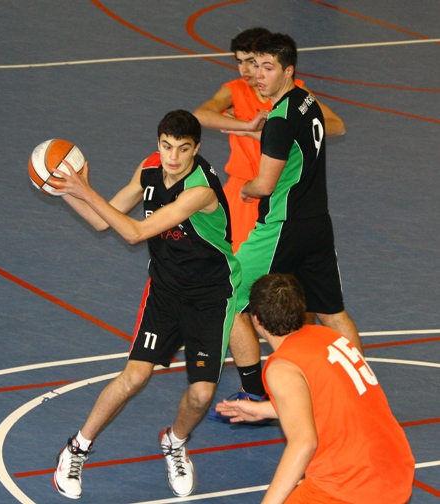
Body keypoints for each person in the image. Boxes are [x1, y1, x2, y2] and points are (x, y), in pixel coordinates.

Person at [50, 110, 241, 499]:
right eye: (166, 146)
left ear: (196, 149)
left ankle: (174, 441)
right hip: (166, 293)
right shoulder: (150, 169)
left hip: (210, 297)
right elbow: (104, 220)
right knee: (134, 376)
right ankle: (75, 450)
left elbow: (135, 233)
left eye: (183, 149)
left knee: (201, 394)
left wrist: (86, 190)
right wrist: (64, 189)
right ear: (158, 144)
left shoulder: (200, 191)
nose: (173, 157)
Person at [208, 32, 363, 422]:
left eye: (268, 67)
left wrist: (244, 189)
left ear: (288, 70)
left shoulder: (278, 119)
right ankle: (359, 389)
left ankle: (253, 390)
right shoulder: (307, 101)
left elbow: (264, 184)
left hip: (281, 226)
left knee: (223, 293)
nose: (258, 75)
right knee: (331, 312)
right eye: (254, 66)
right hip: (318, 224)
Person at [216, 273, 414, 504]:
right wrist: (266, 410)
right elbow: (332, 400)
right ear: (302, 309)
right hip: (395, 468)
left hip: (351, 486)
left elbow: (304, 443)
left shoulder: (282, 367)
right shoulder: (329, 337)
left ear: (256, 320)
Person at [194, 27, 346, 254]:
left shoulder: (294, 93)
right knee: (236, 261)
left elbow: (337, 125)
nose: (246, 70)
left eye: (252, 62)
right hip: (243, 192)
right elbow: (200, 115)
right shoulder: (235, 91)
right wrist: (247, 126)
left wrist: (274, 131)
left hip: (280, 192)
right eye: (240, 62)